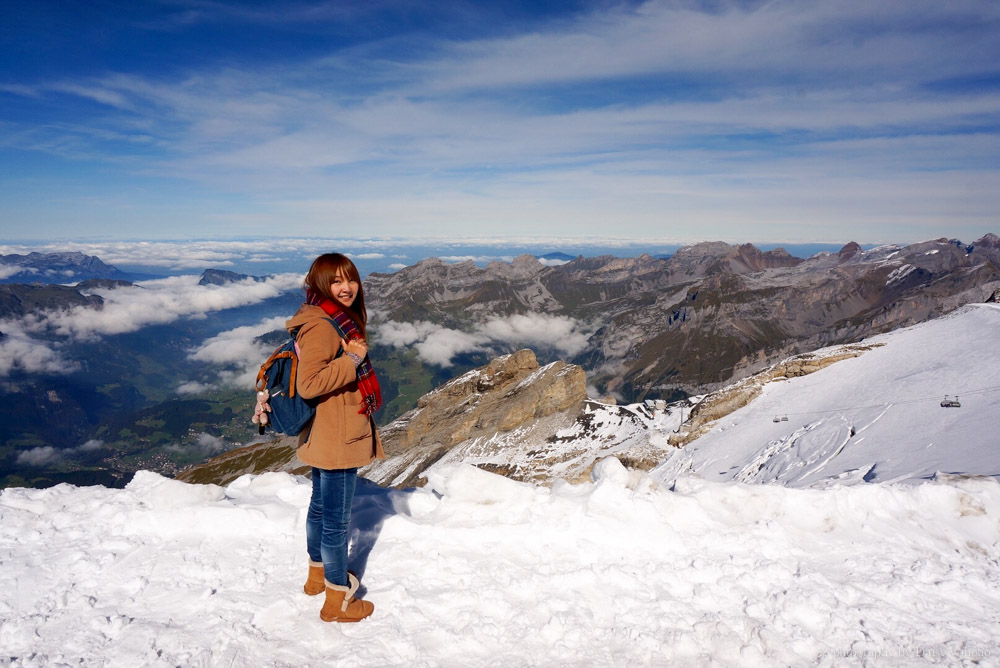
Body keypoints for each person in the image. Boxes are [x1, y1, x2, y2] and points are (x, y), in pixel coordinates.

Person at [285, 253, 384, 623]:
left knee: (320, 508)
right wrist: (354, 360)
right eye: (337, 281)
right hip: (339, 434)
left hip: (325, 431)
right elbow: (310, 384)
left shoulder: (320, 316)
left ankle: (316, 578)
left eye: (351, 280)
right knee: (336, 522)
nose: (346, 288)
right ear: (320, 284)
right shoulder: (325, 326)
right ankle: (338, 599)